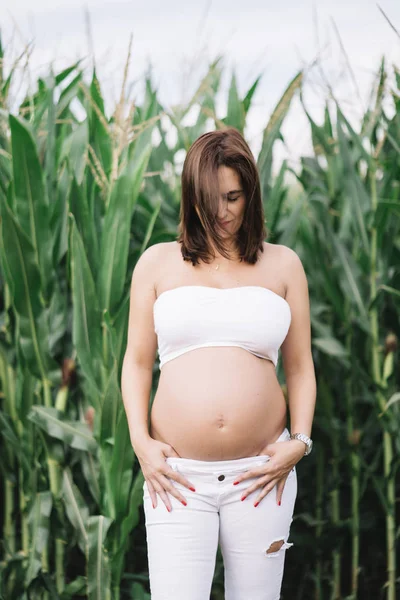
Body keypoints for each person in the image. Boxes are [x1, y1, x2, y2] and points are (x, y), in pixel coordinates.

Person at [121, 127, 316, 600]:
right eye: (211, 199)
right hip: (177, 479)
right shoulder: (156, 263)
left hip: (261, 477)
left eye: (233, 196)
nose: (223, 212)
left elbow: (301, 367)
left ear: (250, 194)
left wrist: (300, 442)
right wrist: (141, 443)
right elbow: (137, 363)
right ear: (191, 197)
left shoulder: (284, 265)